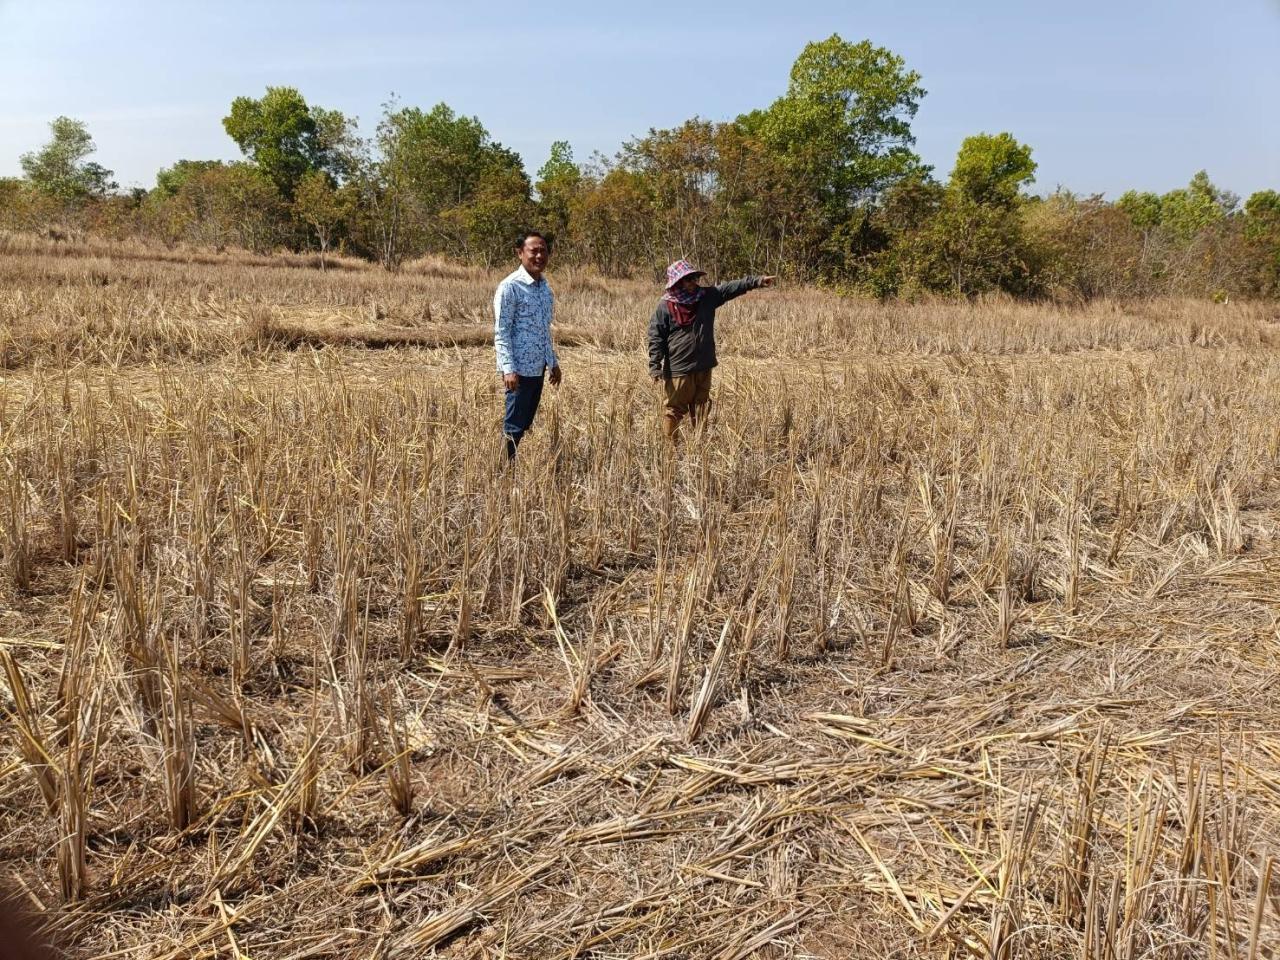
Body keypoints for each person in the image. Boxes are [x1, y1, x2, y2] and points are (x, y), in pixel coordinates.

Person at [648, 260, 775, 440]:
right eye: (688, 279)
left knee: (701, 407)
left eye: (695, 277)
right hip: (679, 368)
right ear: (677, 282)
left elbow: (729, 288)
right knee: (674, 410)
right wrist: (654, 365)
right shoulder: (665, 306)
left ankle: (699, 446)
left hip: (704, 365)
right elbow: (656, 336)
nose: (694, 282)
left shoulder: (706, 297)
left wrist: (756, 281)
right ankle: (670, 451)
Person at [493, 231, 562, 460]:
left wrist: (553, 362)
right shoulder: (510, 287)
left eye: (543, 250)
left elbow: (544, 329)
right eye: (534, 251)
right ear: (520, 253)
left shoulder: (544, 288)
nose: (539, 255)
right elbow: (501, 332)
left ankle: (511, 461)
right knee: (514, 422)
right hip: (519, 371)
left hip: (538, 368)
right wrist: (508, 369)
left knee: (525, 421)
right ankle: (505, 467)